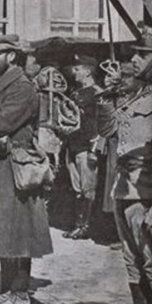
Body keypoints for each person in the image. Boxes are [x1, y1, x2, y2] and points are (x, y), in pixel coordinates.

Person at [0, 34, 53, 304]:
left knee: (19, 231)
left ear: (12, 56)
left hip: (15, 166)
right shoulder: (0, 84)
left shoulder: (22, 88)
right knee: (2, 229)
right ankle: (6, 290)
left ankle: (19, 294)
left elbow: (2, 123)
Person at [104, 29, 152, 304]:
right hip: (125, 192)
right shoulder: (135, 97)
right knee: (134, 269)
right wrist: (107, 93)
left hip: (148, 195)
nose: (133, 59)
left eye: (142, 53)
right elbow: (112, 130)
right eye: (134, 53)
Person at [63, 53, 103, 240]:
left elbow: (99, 124)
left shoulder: (97, 93)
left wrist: (94, 150)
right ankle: (78, 224)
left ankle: (86, 226)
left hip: (87, 148)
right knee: (77, 189)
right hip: (73, 146)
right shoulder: (75, 93)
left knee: (88, 190)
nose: (74, 71)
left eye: (77, 69)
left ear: (87, 71)